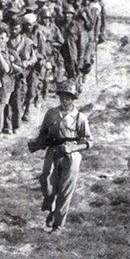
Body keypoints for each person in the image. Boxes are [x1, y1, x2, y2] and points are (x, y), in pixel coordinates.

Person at [28, 80, 91, 233]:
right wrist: (37, 142)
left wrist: (73, 147)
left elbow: (89, 142)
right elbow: (43, 132)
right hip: (53, 152)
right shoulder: (51, 113)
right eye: (62, 97)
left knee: (65, 190)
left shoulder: (80, 118)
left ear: (73, 99)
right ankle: (51, 208)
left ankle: (58, 225)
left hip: (71, 157)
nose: (64, 100)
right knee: (46, 182)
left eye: (68, 98)